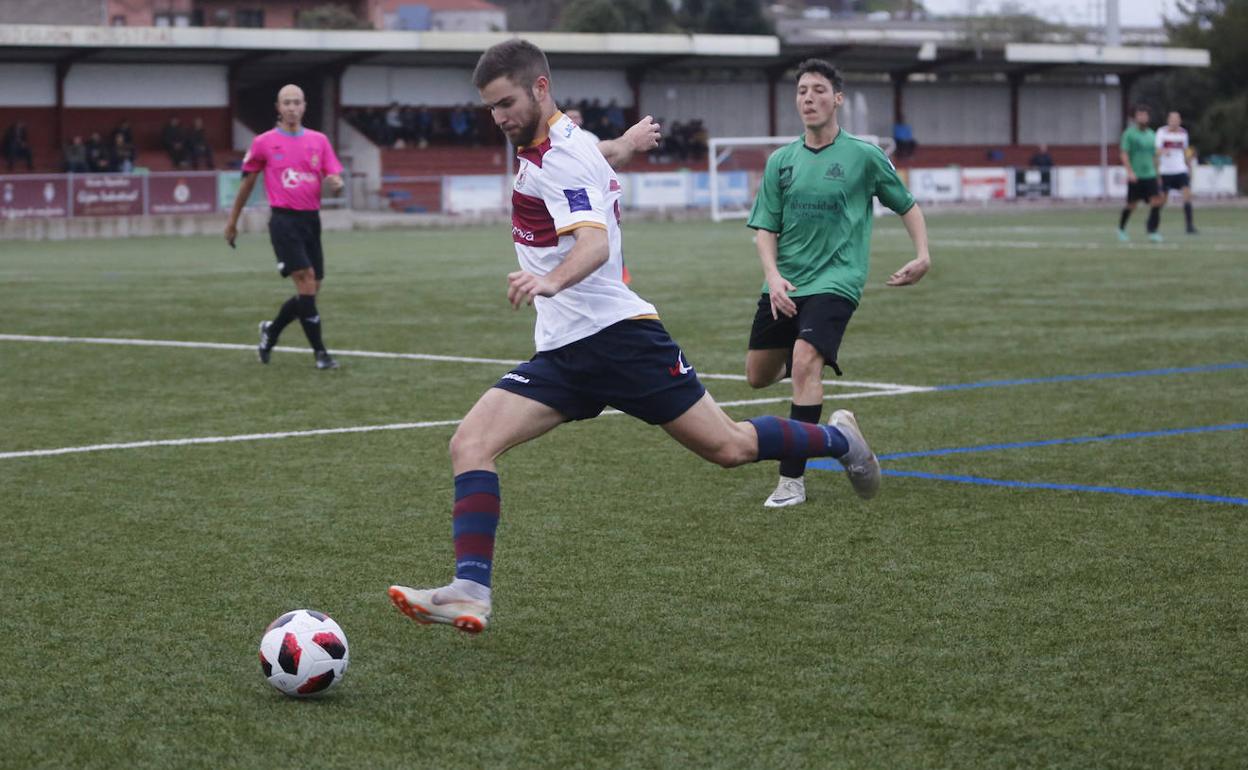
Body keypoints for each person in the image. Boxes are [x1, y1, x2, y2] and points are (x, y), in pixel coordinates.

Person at [387, 39, 883, 634]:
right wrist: (625, 144)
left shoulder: (561, 158)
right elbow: (596, 154)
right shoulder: (564, 138)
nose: (499, 118)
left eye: (507, 103)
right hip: (566, 353)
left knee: (729, 448)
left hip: (620, 339)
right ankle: (470, 588)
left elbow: (593, 244)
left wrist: (549, 280)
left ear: (540, 88)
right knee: (470, 444)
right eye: (491, 108)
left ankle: (838, 440)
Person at [744, 59, 931, 509]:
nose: (808, 98)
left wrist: (923, 254)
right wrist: (772, 277)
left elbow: (907, 204)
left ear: (837, 99)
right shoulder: (781, 162)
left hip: (838, 279)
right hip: (787, 281)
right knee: (757, 376)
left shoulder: (864, 156)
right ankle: (841, 433)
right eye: (802, 90)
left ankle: (791, 481)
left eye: (819, 90)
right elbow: (765, 229)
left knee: (806, 362)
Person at [224, 84, 345, 370]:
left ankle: (272, 330)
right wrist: (232, 222)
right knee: (306, 279)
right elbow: (247, 184)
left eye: (297, 102)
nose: (292, 107)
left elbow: (334, 175)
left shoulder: (319, 141)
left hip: (310, 220)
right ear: (278, 108)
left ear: (304, 106)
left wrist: (337, 183)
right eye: (286, 103)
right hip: (283, 220)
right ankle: (321, 354)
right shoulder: (264, 142)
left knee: (311, 290)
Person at [1117, 104, 1164, 243]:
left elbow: (1155, 156)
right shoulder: (1129, 134)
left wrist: (1158, 174)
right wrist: (1130, 172)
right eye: (1139, 115)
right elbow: (1124, 154)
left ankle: (1152, 231)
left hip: (1150, 174)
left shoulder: (1152, 134)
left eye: (1144, 115)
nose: (1142, 117)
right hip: (1136, 175)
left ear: (1148, 117)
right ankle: (1121, 228)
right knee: (1132, 205)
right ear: (1135, 117)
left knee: (1157, 201)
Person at [1155, 110, 1197, 234]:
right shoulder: (1161, 132)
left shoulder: (1183, 133)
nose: (1174, 122)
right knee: (1163, 200)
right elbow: (1157, 150)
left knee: (1187, 196)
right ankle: (1153, 224)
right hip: (1166, 171)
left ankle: (1189, 226)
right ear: (1168, 121)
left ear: (1180, 121)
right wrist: (1163, 152)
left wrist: (1189, 167)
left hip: (1180, 170)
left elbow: (1185, 152)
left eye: (1177, 119)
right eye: (1172, 119)